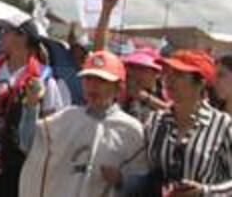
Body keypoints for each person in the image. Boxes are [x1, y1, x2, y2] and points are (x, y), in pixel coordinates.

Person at [17, 50, 146, 196]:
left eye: (101, 80)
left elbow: (144, 184)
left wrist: (122, 179)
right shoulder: (66, 119)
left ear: (118, 88)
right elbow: (27, 144)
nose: (93, 86)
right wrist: (32, 106)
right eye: (88, 79)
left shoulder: (132, 130)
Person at [0, 17, 63, 196]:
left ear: (22, 37)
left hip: (13, 170)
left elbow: (53, 128)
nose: (1, 35)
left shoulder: (43, 79)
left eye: (6, 31)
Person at [139, 50, 232, 194]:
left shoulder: (222, 125)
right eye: (167, 73)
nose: (169, 80)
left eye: (178, 74)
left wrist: (204, 191)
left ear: (200, 83)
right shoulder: (155, 121)